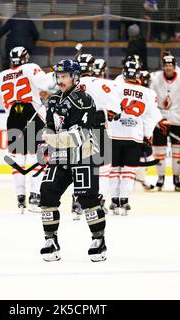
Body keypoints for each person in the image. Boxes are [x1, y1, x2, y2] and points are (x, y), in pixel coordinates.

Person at [39, 59, 107, 262]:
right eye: (58, 77)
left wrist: (51, 139)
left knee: (87, 199)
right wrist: (45, 145)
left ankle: (98, 240)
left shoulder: (85, 100)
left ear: (75, 78)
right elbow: (50, 128)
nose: (60, 80)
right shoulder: (52, 101)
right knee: (47, 193)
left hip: (84, 155)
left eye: (64, 76)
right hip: (60, 157)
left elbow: (80, 135)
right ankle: (50, 240)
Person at [0, 46, 55, 213]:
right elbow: (48, 84)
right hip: (32, 113)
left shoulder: (1, 76)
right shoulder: (30, 67)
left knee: (18, 158)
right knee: (41, 155)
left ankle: (20, 197)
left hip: (13, 118)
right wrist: (54, 73)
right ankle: (35, 196)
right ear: (25, 57)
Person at [107, 60, 161, 215]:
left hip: (114, 135)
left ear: (124, 72)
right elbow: (150, 117)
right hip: (134, 136)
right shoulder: (148, 93)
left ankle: (114, 201)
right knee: (129, 172)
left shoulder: (115, 87)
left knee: (114, 171)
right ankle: (123, 202)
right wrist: (148, 136)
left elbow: (108, 108)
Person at [77, 53, 117, 218]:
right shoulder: (100, 83)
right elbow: (115, 106)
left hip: (78, 129)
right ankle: (99, 200)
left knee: (81, 166)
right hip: (98, 126)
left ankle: (77, 201)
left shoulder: (71, 83)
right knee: (104, 167)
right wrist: (115, 112)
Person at [150, 55, 180, 191]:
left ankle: (176, 177)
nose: (168, 67)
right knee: (159, 151)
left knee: (177, 152)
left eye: (170, 65)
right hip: (160, 120)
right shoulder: (155, 78)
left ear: (175, 65)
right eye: (165, 65)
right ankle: (160, 177)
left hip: (177, 120)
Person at [0, 0, 39, 69]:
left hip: (12, 47)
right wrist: (33, 43)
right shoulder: (28, 19)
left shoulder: (14, 18)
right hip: (24, 48)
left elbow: (3, 30)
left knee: (9, 65)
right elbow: (36, 34)